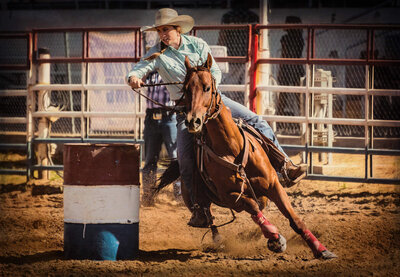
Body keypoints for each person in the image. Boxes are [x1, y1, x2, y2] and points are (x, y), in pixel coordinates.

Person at [127, 8, 306, 227]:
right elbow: (138, 69)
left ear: (177, 29)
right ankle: (199, 209)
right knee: (184, 160)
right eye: (159, 30)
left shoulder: (198, 45)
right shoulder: (156, 53)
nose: (162, 34)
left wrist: (206, 92)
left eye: (166, 30)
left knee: (257, 121)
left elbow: (216, 72)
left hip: (213, 102)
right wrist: (134, 77)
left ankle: (284, 166)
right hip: (185, 110)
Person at [141, 70, 181, 206]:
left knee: (176, 157)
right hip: (152, 117)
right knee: (150, 159)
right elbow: (137, 79)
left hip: (169, 115)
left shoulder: (172, 72)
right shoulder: (150, 73)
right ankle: (148, 196)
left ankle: (180, 196)